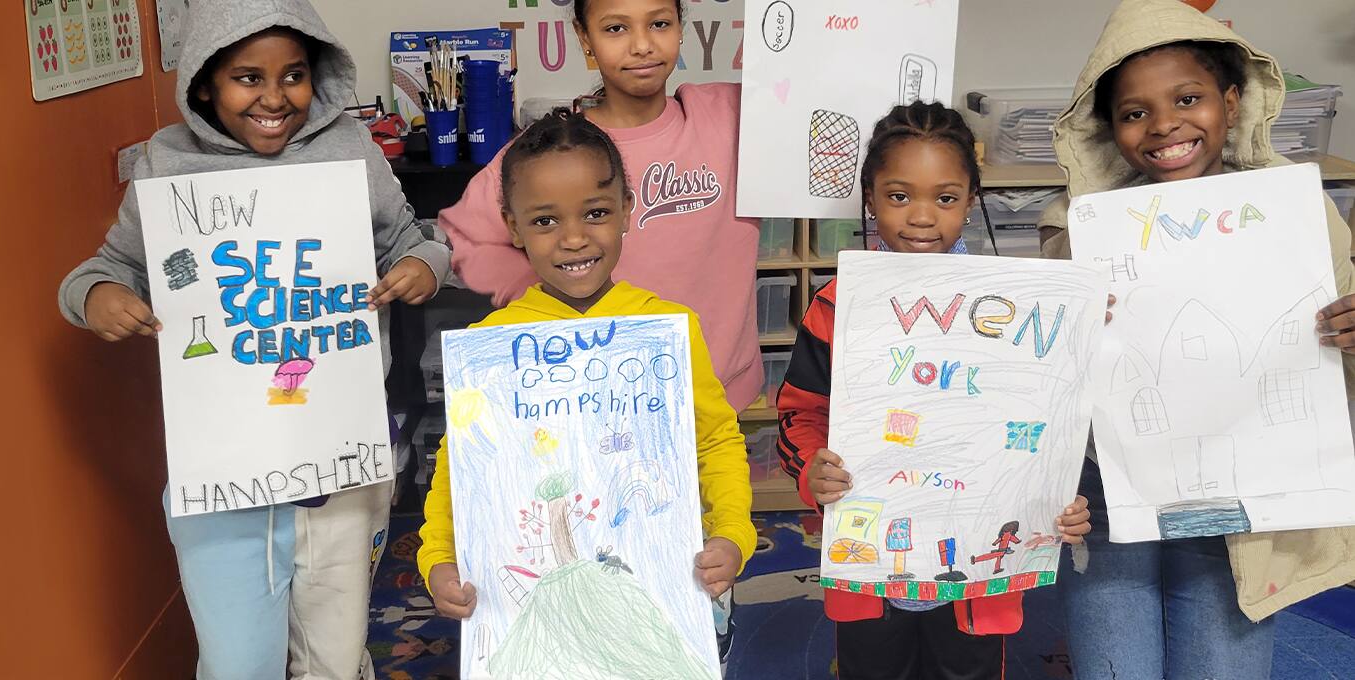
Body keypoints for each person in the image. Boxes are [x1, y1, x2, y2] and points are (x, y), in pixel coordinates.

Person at [55, 1, 450, 677]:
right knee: (240, 661)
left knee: (333, 650)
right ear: (206, 81)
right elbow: (106, 268)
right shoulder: (167, 162)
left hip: (337, 460)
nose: (275, 97)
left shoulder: (350, 151)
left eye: (293, 75)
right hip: (222, 470)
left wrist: (422, 269)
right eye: (248, 78)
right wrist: (98, 298)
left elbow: (413, 239)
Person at [1034, 2, 1355, 678]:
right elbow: (1040, 368)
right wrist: (1071, 317)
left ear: (1232, 102)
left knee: (1221, 659)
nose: (1164, 125)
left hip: (1243, 494)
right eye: (1133, 112)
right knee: (1113, 662)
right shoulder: (1077, 226)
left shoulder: (1297, 215)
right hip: (1108, 486)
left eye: (1188, 98)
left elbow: (1334, 337)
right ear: (1109, 129)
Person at [417, 110, 755, 675]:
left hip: (669, 577)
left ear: (627, 209)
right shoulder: (494, 345)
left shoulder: (665, 328)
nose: (574, 238)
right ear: (513, 226)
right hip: (547, 602)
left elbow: (716, 440)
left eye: (596, 213)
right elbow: (464, 468)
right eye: (545, 221)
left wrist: (733, 534)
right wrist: (438, 556)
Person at [777, 102, 1092, 680]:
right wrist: (810, 471)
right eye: (900, 196)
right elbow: (800, 413)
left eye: (945, 198)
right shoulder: (837, 308)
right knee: (873, 669)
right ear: (869, 198)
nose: (922, 217)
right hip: (868, 557)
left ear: (970, 200)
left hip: (978, 565)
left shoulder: (1018, 310)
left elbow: (1045, 420)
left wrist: (1054, 494)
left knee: (965, 670)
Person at [438, 0, 763, 413]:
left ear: (681, 26)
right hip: (601, 398)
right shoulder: (556, 153)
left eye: (659, 23)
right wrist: (548, 297)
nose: (642, 45)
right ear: (583, 37)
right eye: (616, 29)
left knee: (724, 475)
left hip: (717, 395)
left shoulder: (731, 115)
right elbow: (463, 235)